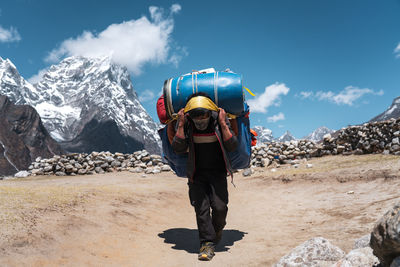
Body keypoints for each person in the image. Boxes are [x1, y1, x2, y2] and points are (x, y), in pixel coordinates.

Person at [171, 92, 238, 261]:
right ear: (189, 114)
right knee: (201, 210)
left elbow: (232, 145)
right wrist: (180, 124)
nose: (200, 119)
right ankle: (206, 244)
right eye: (196, 116)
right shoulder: (187, 123)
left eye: (204, 115)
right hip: (196, 174)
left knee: (220, 208)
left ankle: (217, 229)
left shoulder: (218, 120)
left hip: (218, 173)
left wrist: (223, 123)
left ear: (210, 112)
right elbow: (178, 148)